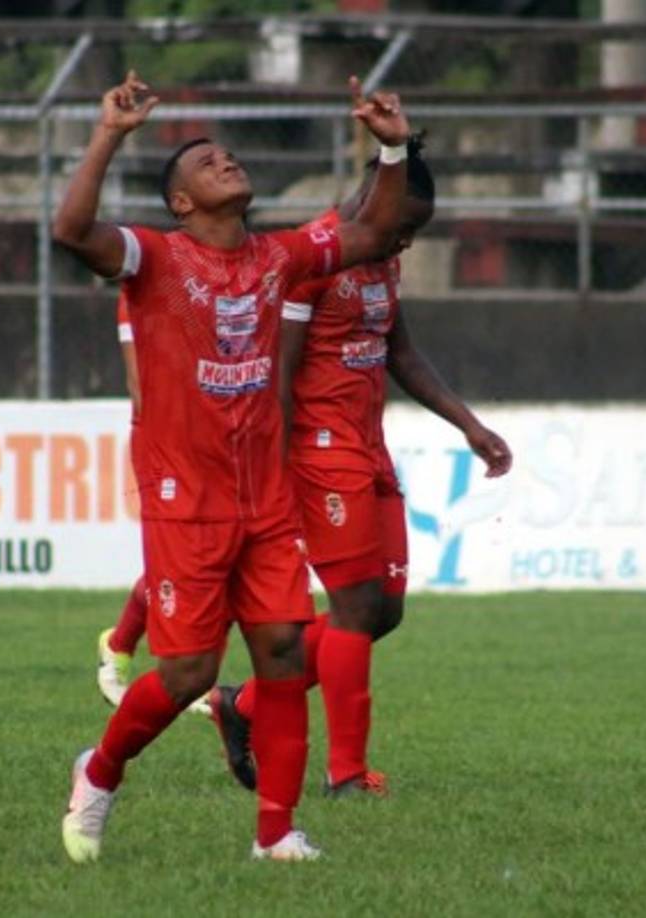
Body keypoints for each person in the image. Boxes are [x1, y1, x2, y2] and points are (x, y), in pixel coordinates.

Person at [52, 70, 411, 864]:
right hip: (186, 498)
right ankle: (99, 771)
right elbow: (72, 230)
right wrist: (109, 135)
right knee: (186, 672)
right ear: (181, 201)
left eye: (229, 153)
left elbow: (376, 233)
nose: (226, 160)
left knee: (281, 650)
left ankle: (275, 832)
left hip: (266, 500)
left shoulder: (279, 256)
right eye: (206, 161)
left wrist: (391, 152)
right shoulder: (154, 257)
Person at [209, 138, 513, 796]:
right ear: (376, 200)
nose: (405, 243)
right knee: (354, 607)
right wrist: (273, 470)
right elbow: (279, 375)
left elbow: (400, 352)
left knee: (385, 610)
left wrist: (469, 424)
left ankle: (244, 706)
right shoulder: (313, 257)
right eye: (403, 227)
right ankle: (345, 773)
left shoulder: (382, 259)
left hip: (369, 449)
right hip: (319, 452)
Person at [95, 290, 210, 715]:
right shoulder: (143, 291)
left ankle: (129, 647)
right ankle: (160, 662)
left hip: (222, 438)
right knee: (181, 560)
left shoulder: (221, 280)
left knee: (212, 557)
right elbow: (140, 382)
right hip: (169, 443)